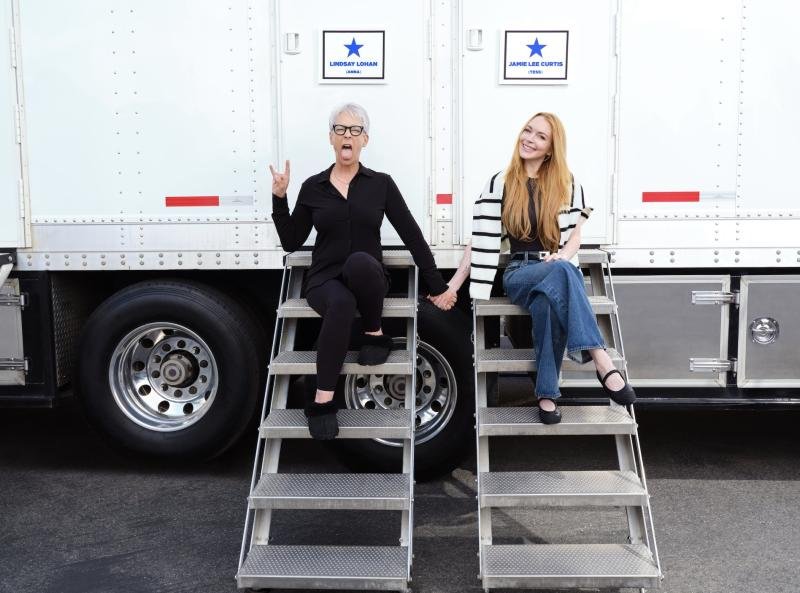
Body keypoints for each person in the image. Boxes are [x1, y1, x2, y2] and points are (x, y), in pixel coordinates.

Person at [429, 112, 635, 424]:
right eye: (528, 131)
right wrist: (454, 286)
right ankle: (600, 358)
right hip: (519, 272)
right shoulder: (500, 182)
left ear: (551, 148)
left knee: (548, 304)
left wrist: (562, 256)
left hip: (554, 267)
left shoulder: (567, 184)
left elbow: (575, 236)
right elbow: (480, 237)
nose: (529, 139)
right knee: (564, 272)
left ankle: (547, 395)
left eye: (540, 136)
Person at [270, 102, 455, 439]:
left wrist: (436, 284)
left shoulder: (380, 184)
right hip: (324, 280)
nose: (347, 135)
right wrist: (279, 199)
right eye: (340, 129)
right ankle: (323, 400)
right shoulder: (313, 187)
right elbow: (291, 241)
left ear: (364, 140)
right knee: (340, 303)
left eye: (355, 130)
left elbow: (411, 234)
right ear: (331, 137)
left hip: (367, 276)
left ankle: (373, 332)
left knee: (359, 262)